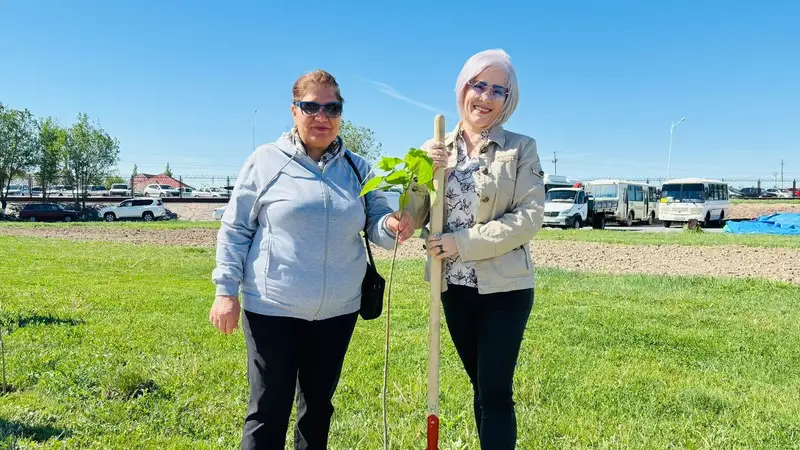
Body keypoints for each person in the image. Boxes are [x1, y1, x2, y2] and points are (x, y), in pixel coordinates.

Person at [209, 69, 414, 450]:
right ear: (293, 111)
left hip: (338, 311)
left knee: (318, 409)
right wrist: (226, 292)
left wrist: (394, 224)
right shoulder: (265, 162)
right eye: (311, 107)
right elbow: (235, 228)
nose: (322, 116)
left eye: (332, 108)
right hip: (272, 308)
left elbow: (378, 225)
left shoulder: (358, 168)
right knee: (268, 409)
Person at [405, 49, 545, 449]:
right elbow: (415, 211)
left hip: (506, 290)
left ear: (508, 99)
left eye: (498, 90)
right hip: (453, 289)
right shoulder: (434, 147)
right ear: (462, 88)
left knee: (495, 391)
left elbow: (529, 218)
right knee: (479, 388)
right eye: (478, 85)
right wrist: (416, 182)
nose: (485, 96)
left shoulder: (520, 149)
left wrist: (460, 243)